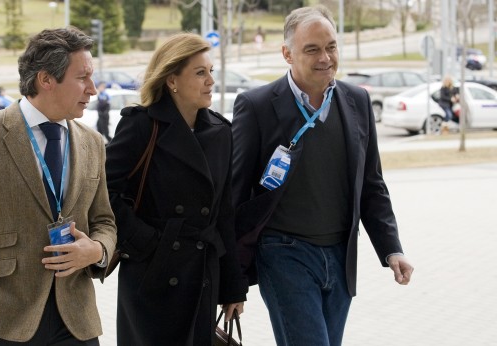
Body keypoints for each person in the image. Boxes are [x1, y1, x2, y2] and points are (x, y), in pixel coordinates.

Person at [231, 5, 414, 346]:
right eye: (312, 49)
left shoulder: (357, 101)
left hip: (340, 256)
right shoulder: (255, 106)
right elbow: (236, 196)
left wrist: (392, 250)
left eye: (331, 46)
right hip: (283, 252)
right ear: (287, 53)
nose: (325, 58)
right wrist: (232, 280)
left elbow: (372, 185)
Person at [0, 27, 117, 345]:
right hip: (1, 319)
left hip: (77, 320)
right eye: (83, 77)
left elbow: (105, 222)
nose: (93, 89)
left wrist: (97, 251)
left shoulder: (93, 142)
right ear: (46, 79)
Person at [105, 32, 248, 346]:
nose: (211, 80)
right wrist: (148, 243)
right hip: (152, 275)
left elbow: (224, 213)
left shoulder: (221, 132)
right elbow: (105, 193)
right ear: (172, 80)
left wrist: (233, 288)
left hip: (201, 275)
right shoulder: (141, 125)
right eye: (200, 72)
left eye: (211, 71)